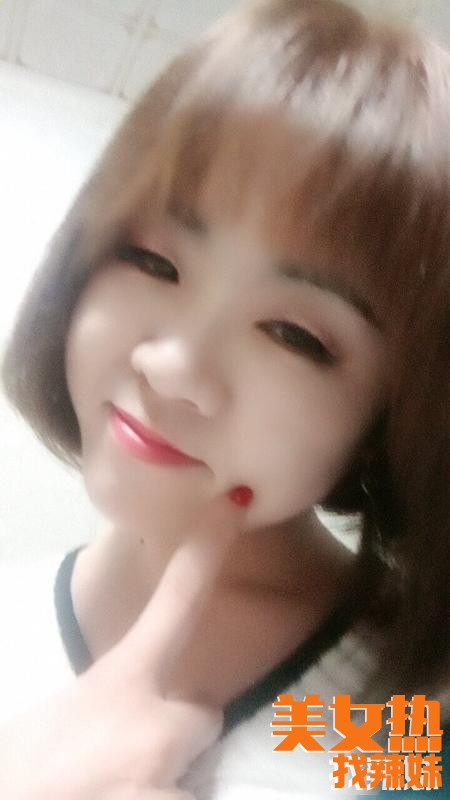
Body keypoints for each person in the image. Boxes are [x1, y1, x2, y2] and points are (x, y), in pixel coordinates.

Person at [1, 0, 449, 796]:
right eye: (152, 260)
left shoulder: (415, 701)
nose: (172, 367)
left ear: (390, 410)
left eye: (294, 334)